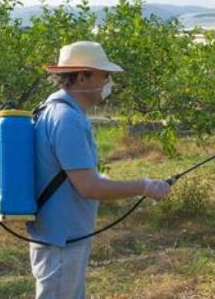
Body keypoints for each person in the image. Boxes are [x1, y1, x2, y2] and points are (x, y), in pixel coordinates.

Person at [27, 41, 171, 298]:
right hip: (62, 239)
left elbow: (73, 176)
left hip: (60, 234)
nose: (107, 82)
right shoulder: (67, 119)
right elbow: (89, 187)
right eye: (104, 75)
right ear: (82, 76)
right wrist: (145, 186)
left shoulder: (53, 110)